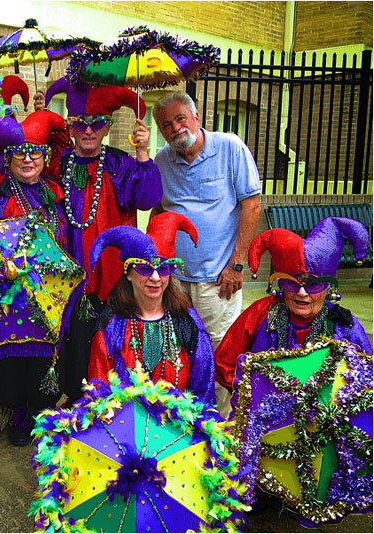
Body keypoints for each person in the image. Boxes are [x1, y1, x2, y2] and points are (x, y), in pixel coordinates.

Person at [37, 80, 163, 404]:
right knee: (71, 336)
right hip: (68, 269)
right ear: (71, 125)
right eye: (81, 123)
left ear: (107, 127)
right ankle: (70, 393)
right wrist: (38, 115)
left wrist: (142, 151)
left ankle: (106, 397)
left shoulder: (120, 164)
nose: (88, 130)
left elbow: (147, 197)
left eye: (96, 123)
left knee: (107, 334)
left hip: (109, 273)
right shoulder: (59, 162)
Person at [151, 91, 262, 415]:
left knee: (219, 352)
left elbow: (251, 205)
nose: (174, 128)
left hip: (218, 278)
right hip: (174, 278)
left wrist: (236, 265)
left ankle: (221, 424)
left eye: (180, 119)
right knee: (177, 348)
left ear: (196, 117)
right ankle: (185, 416)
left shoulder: (230, 148)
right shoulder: (161, 160)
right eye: (166, 124)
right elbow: (159, 208)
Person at [0, 109, 69, 445]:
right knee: (12, 360)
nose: (28, 159)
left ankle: (40, 410)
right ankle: (14, 409)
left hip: (50, 292)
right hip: (10, 293)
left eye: (36, 152)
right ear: (8, 157)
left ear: (46, 157)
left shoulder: (55, 194)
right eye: (20, 152)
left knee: (46, 359)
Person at [215, 217, 372, 392]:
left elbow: (366, 375)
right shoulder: (261, 312)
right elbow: (224, 362)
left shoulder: (343, 323)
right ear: (280, 285)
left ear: (328, 289)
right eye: (292, 283)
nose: (302, 293)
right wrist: (250, 395)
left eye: (313, 285)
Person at [88, 212, 216, 403]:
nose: (156, 278)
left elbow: (203, 385)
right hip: (123, 426)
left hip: (179, 428)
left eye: (164, 268)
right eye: (145, 268)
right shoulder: (111, 323)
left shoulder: (187, 320)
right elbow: (99, 387)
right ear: (128, 274)